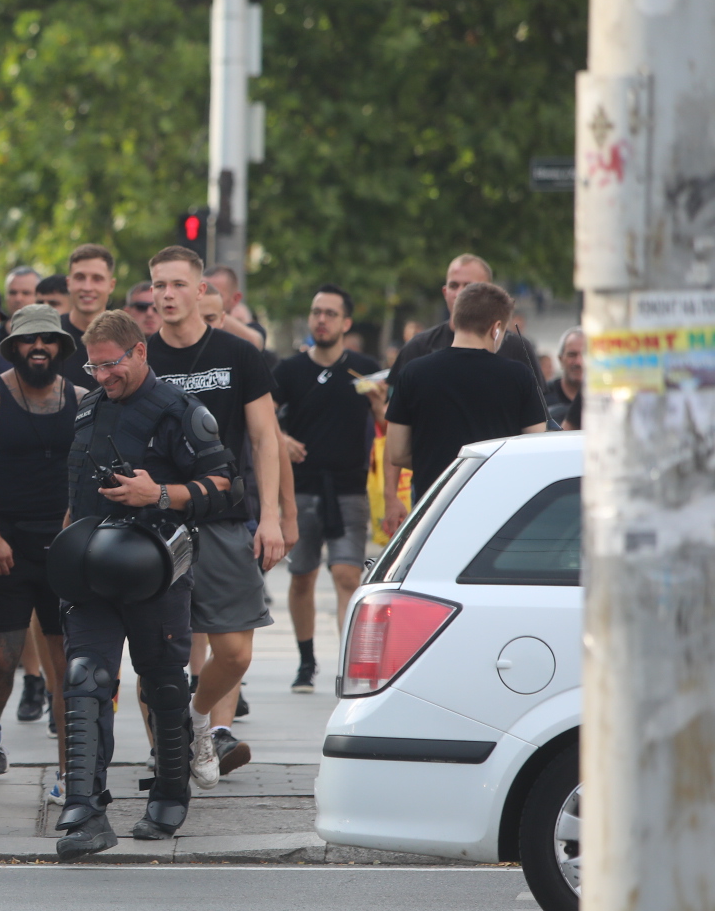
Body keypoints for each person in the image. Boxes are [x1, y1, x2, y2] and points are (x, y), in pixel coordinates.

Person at [54, 310, 239, 858]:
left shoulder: (181, 411)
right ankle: (85, 808)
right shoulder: (89, 406)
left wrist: (157, 494)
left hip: (158, 568)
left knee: (162, 680)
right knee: (86, 677)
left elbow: (226, 487)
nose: (102, 375)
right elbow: (78, 489)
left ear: (139, 352)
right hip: (90, 568)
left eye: (111, 364)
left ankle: (170, 791)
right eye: (93, 366)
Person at [144, 245, 289, 786]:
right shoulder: (142, 359)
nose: (167, 294)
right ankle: (172, 757)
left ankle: (198, 718)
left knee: (233, 651)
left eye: (178, 284)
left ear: (201, 291)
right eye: (158, 285)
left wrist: (271, 518)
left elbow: (264, 438)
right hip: (157, 521)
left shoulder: (239, 353)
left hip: (226, 518)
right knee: (155, 652)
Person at [0, 303, 82, 796]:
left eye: (48, 341)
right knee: (1, 656)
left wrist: (78, 527)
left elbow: (91, 473)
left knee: (67, 665)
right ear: (13, 348)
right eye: (29, 342)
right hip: (5, 546)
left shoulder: (82, 398)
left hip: (65, 546)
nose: (39, 348)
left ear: (60, 347)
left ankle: (67, 770)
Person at [274, 285, 381, 694]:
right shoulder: (288, 370)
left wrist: (379, 405)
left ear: (346, 323)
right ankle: (306, 662)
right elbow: (262, 415)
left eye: (330, 313)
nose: (321, 319)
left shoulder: (364, 369)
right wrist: (282, 436)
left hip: (349, 489)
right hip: (299, 490)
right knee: (302, 576)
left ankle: (348, 666)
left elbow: (389, 424)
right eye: (316, 312)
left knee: (347, 577)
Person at [385, 282, 546, 517]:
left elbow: (397, 452)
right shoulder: (519, 376)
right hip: (498, 511)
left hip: (433, 510)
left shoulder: (413, 372)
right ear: (496, 328)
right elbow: (534, 446)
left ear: (456, 318)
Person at [389, 254, 546, 422]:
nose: (460, 293)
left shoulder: (518, 347)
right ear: (445, 291)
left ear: (489, 292)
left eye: (469, 286)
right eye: (454, 285)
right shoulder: (418, 346)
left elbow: (537, 415)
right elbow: (396, 415)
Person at [60, 244, 118, 378]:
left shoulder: (127, 339)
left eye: (97, 279)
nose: (87, 287)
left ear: (111, 285)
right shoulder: (49, 336)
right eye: (80, 277)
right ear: (69, 283)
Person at [205, 265, 267, 349]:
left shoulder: (252, 329)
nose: (204, 299)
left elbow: (255, 342)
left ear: (235, 299)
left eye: (215, 295)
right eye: (201, 292)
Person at [546, 328, 585, 428]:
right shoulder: (541, 397)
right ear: (560, 359)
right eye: (572, 355)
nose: (578, 362)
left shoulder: (605, 400)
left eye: (585, 354)